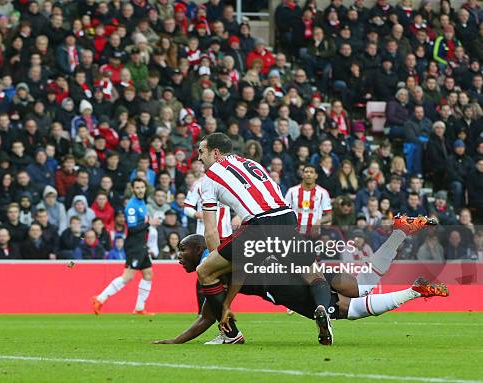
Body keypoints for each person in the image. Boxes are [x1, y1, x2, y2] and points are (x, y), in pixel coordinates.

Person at [153, 232, 449, 344]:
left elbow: (208, 315)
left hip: (283, 286)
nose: (178, 256)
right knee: (362, 286)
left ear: (197, 249)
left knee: (351, 310)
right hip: (297, 259)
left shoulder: (211, 268)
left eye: (182, 250)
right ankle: (398, 233)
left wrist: (174, 341)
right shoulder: (222, 251)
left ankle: (414, 291)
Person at [196, 132, 333, 345]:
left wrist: (219, 266)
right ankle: (322, 309)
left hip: (259, 225)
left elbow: (211, 232)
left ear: (215, 153)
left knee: (204, 271)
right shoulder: (252, 163)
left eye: (201, 152)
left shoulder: (209, 178)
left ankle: (230, 333)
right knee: (313, 272)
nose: (199, 158)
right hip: (287, 218)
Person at [92, 178, 154, 315]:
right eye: (137, 188)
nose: (140, 190)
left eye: (142, 187)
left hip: (141, 245)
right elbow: (131, 228)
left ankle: (139, 307)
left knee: (148, 274)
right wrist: (149, 223)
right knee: (127, 277)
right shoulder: (131, 206)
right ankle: (100, 298)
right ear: (132, 189)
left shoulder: (141, 202)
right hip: (134, 246)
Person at [284, 164, 332, 235]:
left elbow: (329, 216)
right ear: (302, 175)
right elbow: (285, 211)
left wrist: (319, 222)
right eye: (306, 172)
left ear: (316, 176)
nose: (308, 174)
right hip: (295, 233)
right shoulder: (292, 191)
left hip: (313, 234)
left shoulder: (323, 193)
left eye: (311, 172)